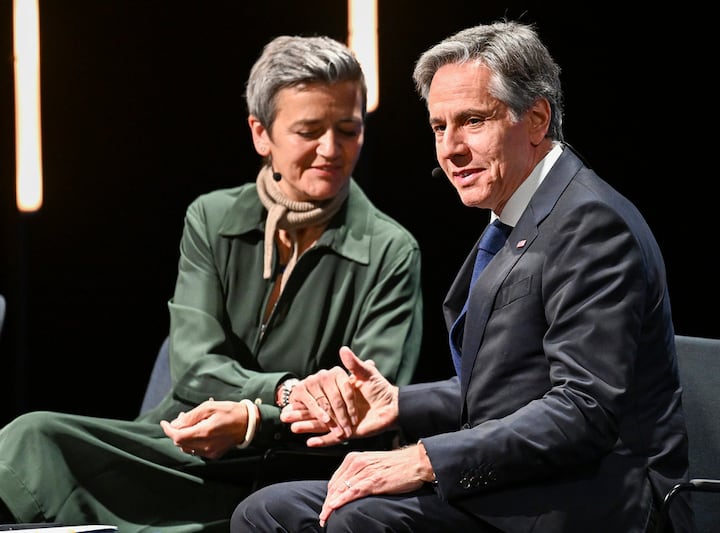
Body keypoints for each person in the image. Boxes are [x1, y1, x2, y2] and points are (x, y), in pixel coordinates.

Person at [230, 20, 694, 533]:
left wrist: (423, 458)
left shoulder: (591, 223)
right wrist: (398, 404)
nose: (449, 149)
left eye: (472, 121)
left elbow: (581, 411)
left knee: (355, 520)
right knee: (266, 512)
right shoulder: (520, 211)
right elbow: (513, 387)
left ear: (536, 118)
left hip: (595, 498)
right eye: (438, 127)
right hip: (524, 482)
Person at [0, 34, 423, 531]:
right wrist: (284, 391)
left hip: (294, 466)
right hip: (181, 445)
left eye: (348, 130)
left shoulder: (392, 249)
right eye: (309, 131)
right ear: (260, 133)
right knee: (33, 434)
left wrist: (251, 421)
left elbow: (369, 405)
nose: (331, 150)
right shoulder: (211, 216)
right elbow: (195, 366)